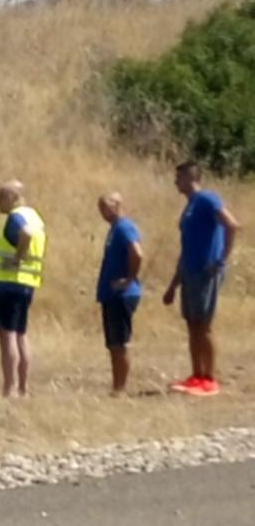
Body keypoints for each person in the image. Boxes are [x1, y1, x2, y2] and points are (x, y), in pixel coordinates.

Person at [162, 161, 240, 397]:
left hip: (206, 271)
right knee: (192, 324)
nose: (176, 182)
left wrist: (221, 259)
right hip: (189, 271)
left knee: (204, 325)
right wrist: (173, 284)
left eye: (180, 177)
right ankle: (196, 375)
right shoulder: (189, 207)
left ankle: (210, 378)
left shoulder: (207, 199)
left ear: (190, 177)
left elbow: (232, 225)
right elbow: (186, 248)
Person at [0, 180, 46, 399]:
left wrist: (16, 259)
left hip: (9, 283)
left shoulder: (17, 217)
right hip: (28, 283)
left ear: (13, 197)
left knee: (7, 335)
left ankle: (9, 387)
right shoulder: (35, 216)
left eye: (0, 197)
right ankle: (23, 387)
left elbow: (25, 235)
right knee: (21, 334)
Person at [96, 192, 143, 396]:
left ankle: (120, 388)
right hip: (111, 294)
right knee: (113, 343)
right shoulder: (114, 229)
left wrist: (129, 278)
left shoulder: (125, 227)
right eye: (100, 208)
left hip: (122, 294)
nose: (103, 212)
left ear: (117, 205)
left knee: (120, 343)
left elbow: (137, 252)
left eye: (106, 207)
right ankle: (116, 386)